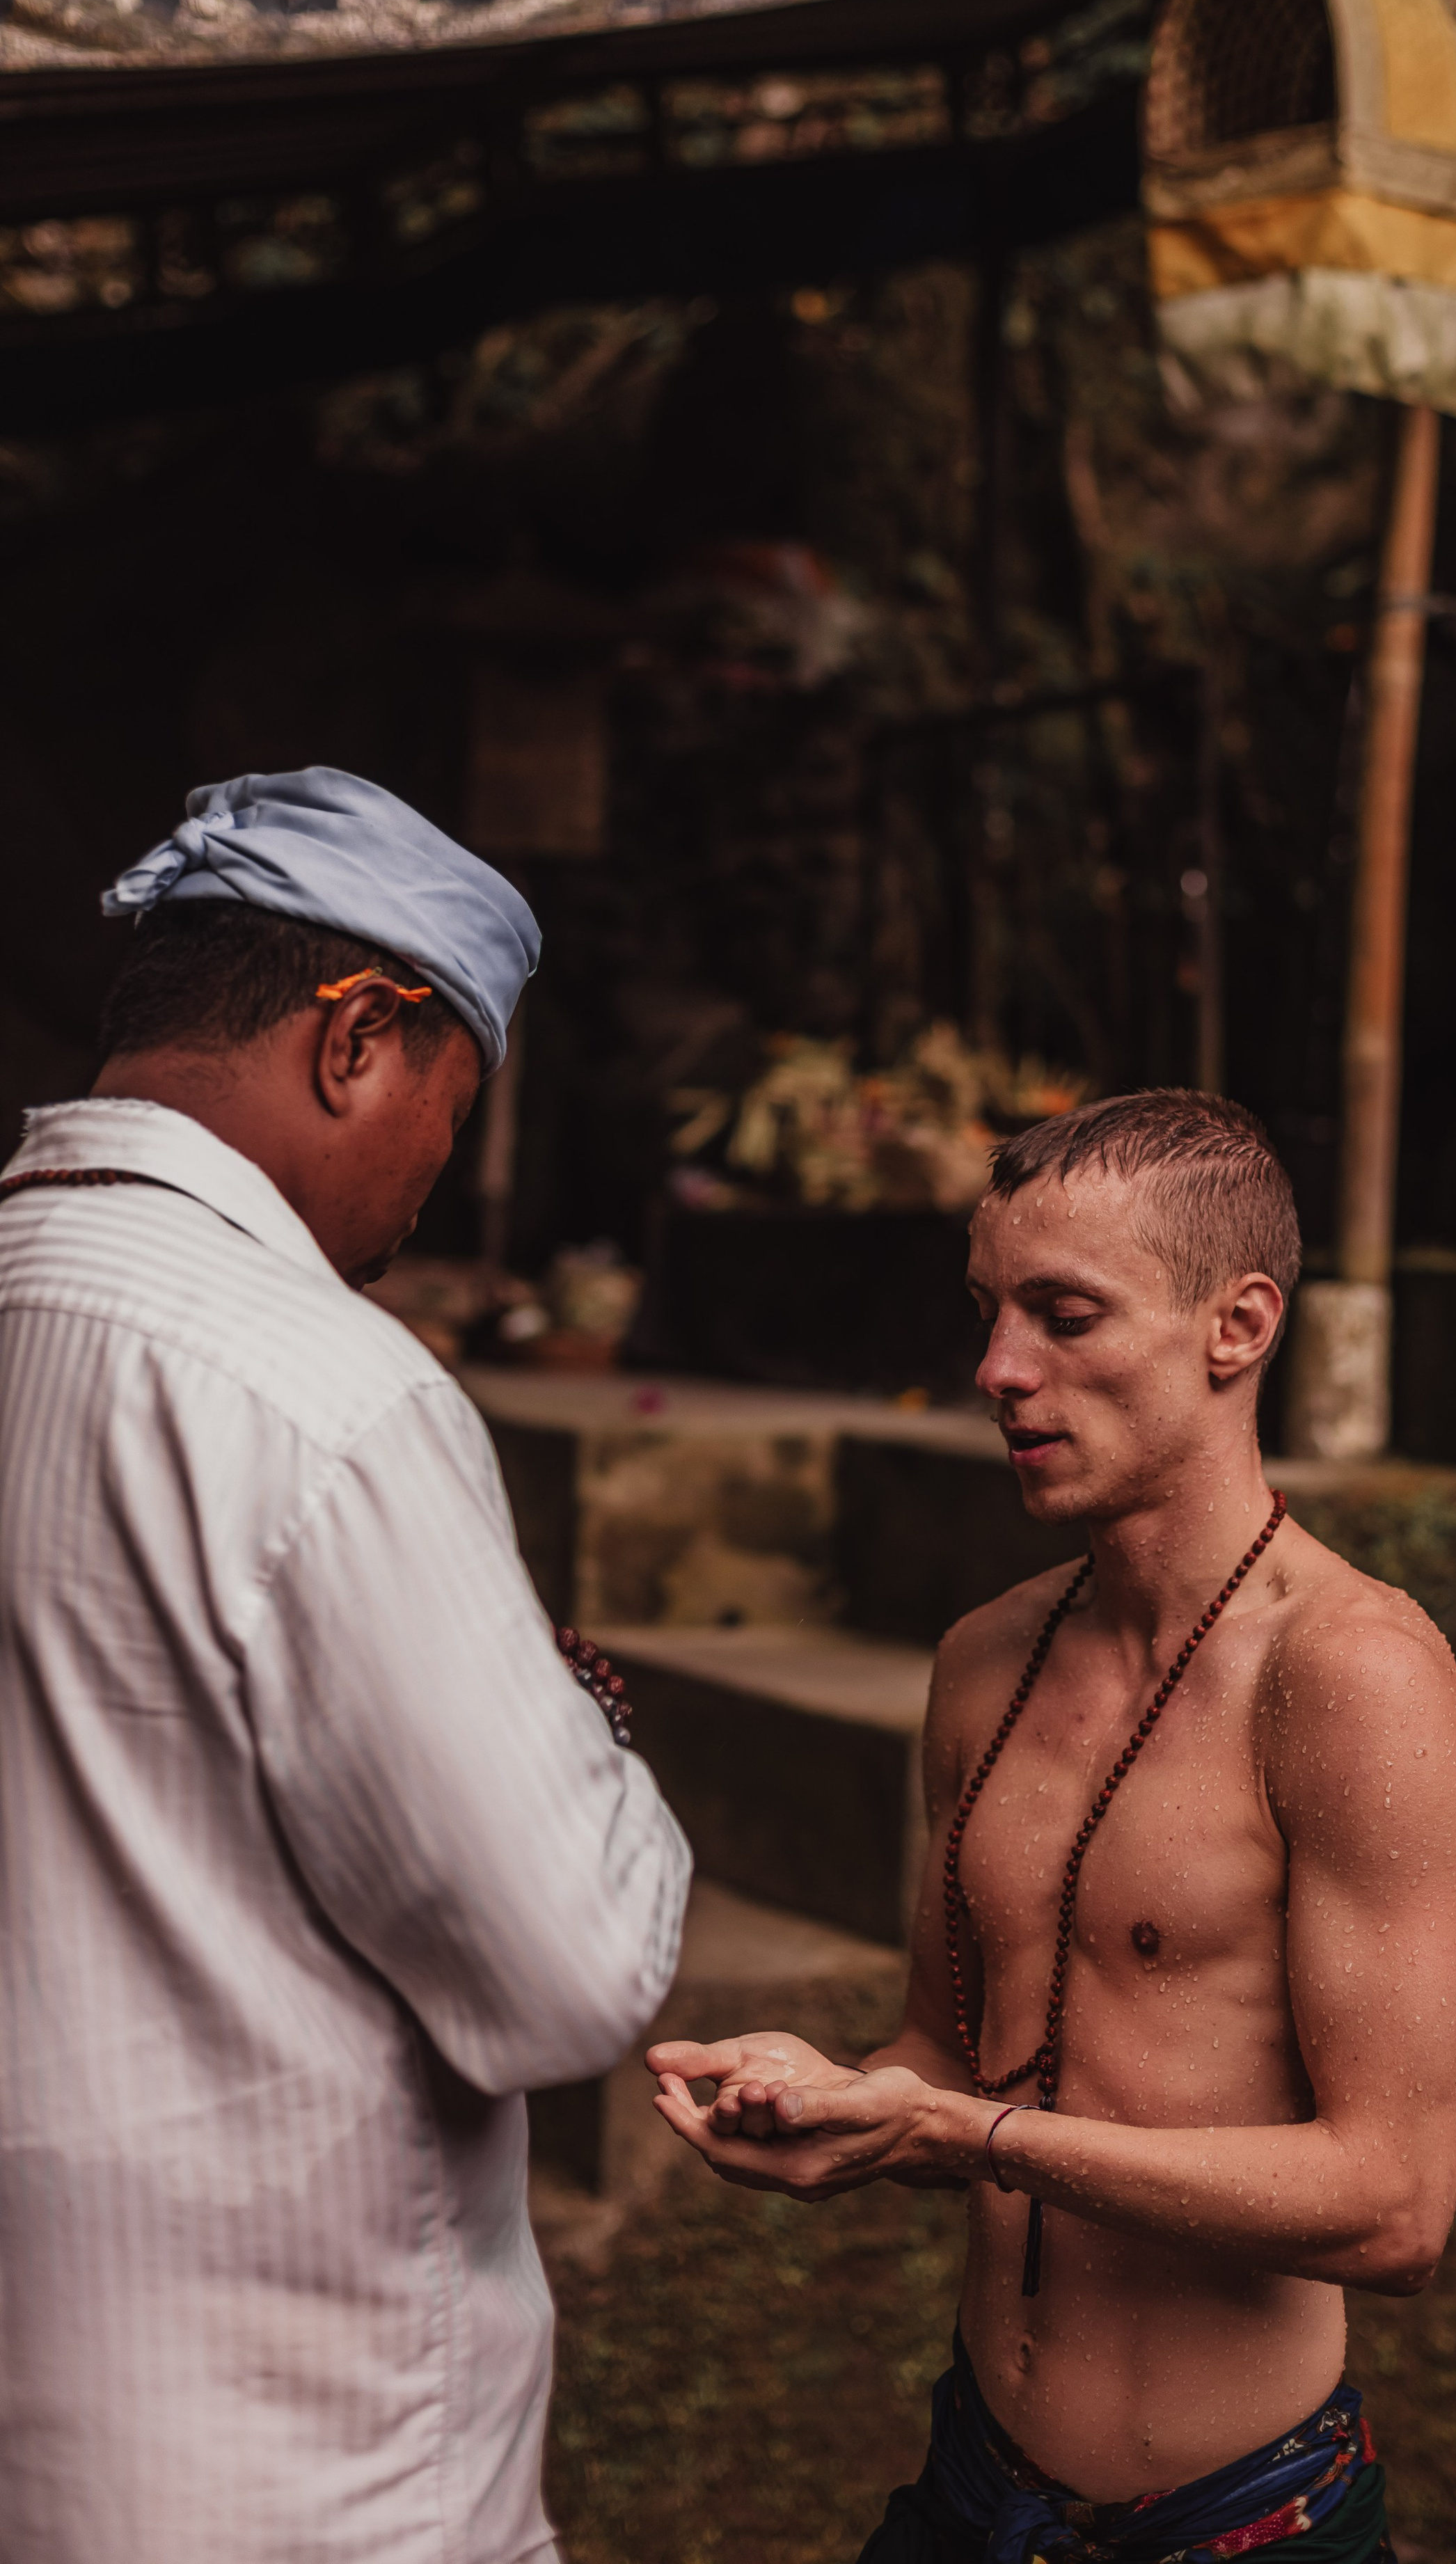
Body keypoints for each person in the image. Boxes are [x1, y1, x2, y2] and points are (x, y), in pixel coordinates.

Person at [649, 1090, 1456, 2564]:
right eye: (988, 1312)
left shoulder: (1352, 1677)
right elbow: (941, 2054)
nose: (998, 1370)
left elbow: (1393, 2204)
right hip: (972, 2478)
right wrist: (839, 2103)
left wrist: (965, 2130)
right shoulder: (984, 1660)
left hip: (1237, 2518)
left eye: (1065, 1316)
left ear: (1234, 1328)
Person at [0, 768, 691, 2564]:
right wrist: (586, 1730)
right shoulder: (328, 1393)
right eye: (443, 1130)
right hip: (300, 2474)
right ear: (357, 1036)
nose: (418, 1207)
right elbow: (575, 1968)